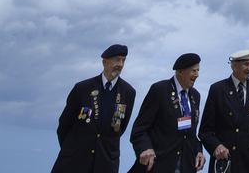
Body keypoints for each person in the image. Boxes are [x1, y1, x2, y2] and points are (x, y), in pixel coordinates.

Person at [52, 44, 136, 173]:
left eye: (123, 60)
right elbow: (64, 125)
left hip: (105, 163)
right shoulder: (82, 88)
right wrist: (72, 149)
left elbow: (120, 129)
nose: (120, 64)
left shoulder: (128, 92)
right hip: (74, 162)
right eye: (116, 59)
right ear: (105, 62)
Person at [129, 53, 205, 173]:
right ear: (180, 71)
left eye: (198, 70)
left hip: (186, 166)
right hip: (159, 165)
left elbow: (189, 133)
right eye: (193, 71)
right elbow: (140, 129)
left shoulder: (195, 95)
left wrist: (198, 150)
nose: (197, 75)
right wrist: (145, 148)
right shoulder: (159, 90)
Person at [199, 49, 249, 173]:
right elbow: (205, 131)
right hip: (226, 163)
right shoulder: (217, 89)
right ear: (234, 65)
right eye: (246, 64)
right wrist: (216, 146)